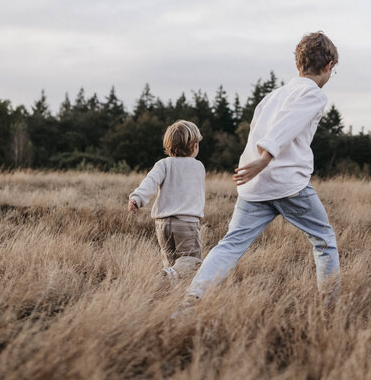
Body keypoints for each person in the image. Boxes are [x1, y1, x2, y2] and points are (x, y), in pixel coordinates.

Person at [185, 31, 340, 303]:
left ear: (297, 65)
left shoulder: (272, 97)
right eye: (333, 70)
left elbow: (256, 133)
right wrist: (267, 156)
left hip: (255, 186)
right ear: (328, 67)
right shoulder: (313, 94)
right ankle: (329, 308)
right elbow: (287, 124)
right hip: (289, 184)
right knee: (325, 240)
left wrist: (254, 164)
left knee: (230, 244)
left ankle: (193, 297)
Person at [129, 120, 206, 280]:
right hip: (186, 223)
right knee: (192, 261)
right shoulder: (198, 166)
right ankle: (169, 276)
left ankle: (168, 288)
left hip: (162, 224)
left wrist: (138, 197)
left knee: (170, 262)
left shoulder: (163, 164)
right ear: (194, 147)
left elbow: (150, 181)